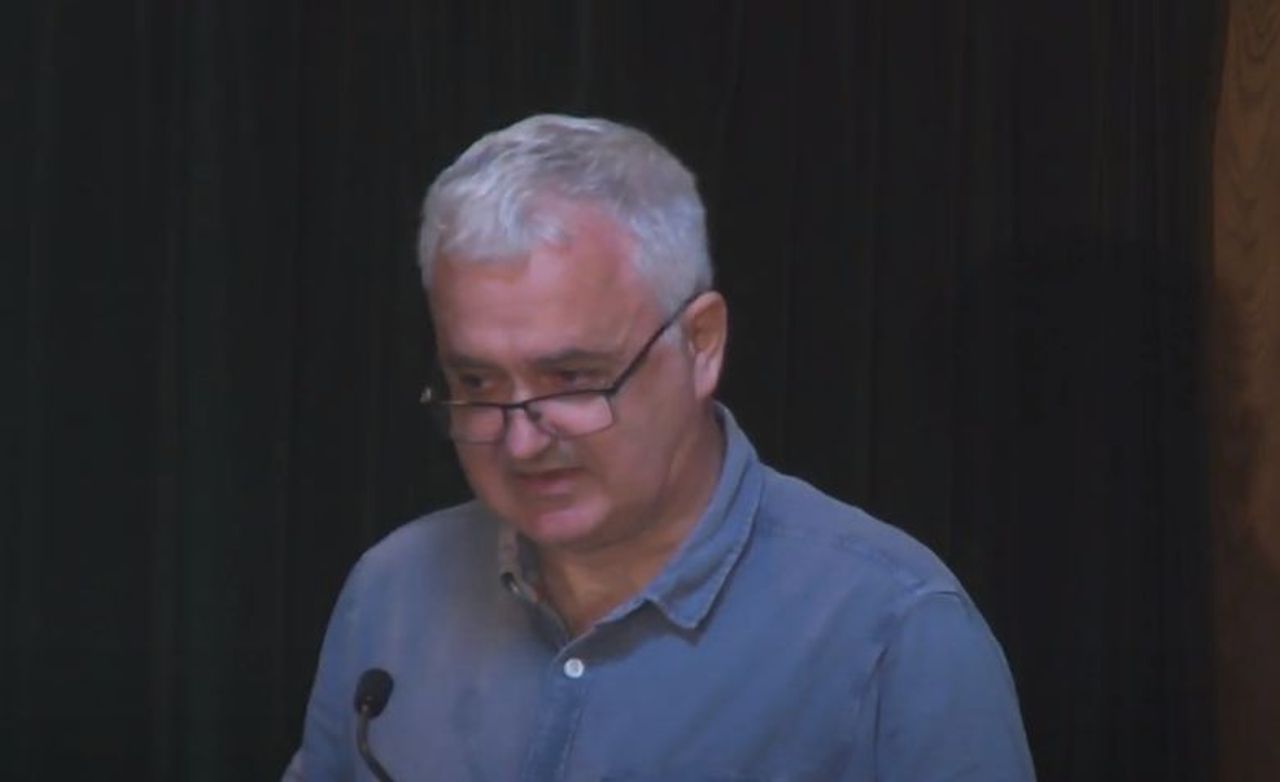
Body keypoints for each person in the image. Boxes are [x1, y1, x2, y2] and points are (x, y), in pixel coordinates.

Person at [283, 114, 1035, 781]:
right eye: (476, 383)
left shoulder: (893, 634)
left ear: (701, 345)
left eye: (574, 379)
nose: (521, 440)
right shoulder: (394, 591)